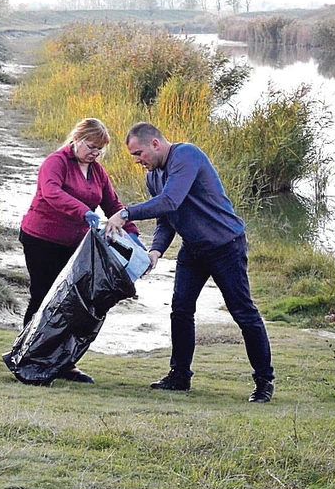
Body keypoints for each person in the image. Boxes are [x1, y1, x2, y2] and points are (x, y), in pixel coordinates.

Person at [104, 122, 275, 403]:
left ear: (155, 144)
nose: (137, 161)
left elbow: (170, 201)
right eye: (134, 156)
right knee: (180, 309)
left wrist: (125, 214)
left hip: (225, 246)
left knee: (243, 312)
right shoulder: (153, 177)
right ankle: (179, 375)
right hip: (193, 250)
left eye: (139, 153)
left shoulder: (187, 155)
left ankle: (264, 381)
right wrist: (156, 251)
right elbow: (166, 218)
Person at [18, 117, 143, 384]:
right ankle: (28, 358)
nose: (95, 152)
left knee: (71, 304)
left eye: (100, 149)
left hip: (75, 246)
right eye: (91, 146)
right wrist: (83, 211)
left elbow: (112, 203)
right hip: (41, 238)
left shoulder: (97, 171)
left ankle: (64, 363)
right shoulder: (56, 162)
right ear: (76, 139)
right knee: (42, 296)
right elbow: (51, 192)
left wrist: (132, 232)